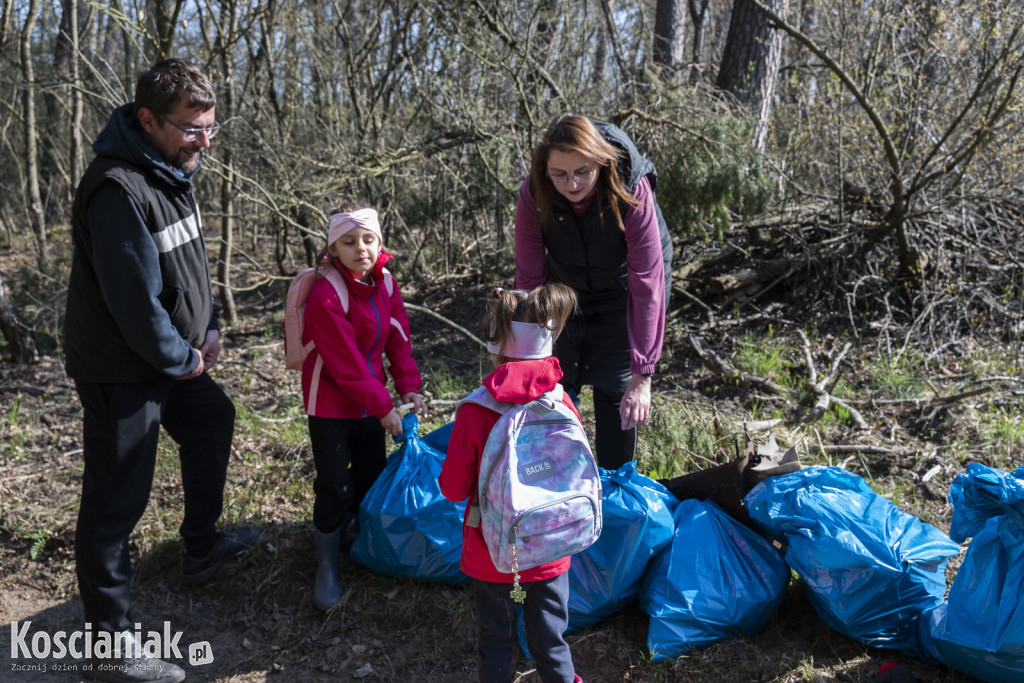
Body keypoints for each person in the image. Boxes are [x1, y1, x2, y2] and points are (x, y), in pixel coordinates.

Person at [64, 58, 257, 683]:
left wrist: (206, 328)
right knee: (116, 500)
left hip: (173, 354)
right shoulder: (117, 187)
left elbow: (185, 266)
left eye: (210, 126)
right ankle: (108, 646)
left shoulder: (171, 168)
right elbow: (133, 304)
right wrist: (183, 357)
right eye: (190, 128)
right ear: (147, 120)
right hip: (123, 367)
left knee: (212, 421)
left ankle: (199, 549)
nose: (205, 140)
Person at [440, 284, 584, 683]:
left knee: (497, 641)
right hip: (552, 549)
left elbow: (452, 488)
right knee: (552, 644)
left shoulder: (476, 410)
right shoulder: (561, 402)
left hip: (492, 554)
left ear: (496, 343)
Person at [514, 114, 674, 470]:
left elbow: (647, 283)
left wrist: (642, 374)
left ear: (601, 162)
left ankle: (615, 490)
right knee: (552, 390)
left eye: (583, 172)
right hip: (565, 293)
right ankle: (561, 497)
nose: (571, 184)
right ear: (545, 170)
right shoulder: (534, 193)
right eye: (560, 174)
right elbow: (528, 281)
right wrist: (526, 358)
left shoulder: (632, 188)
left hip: (624, 293)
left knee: (617, 396)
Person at [301, 206, 427, 611]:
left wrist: (409, 387)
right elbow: (345, 365)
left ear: (380, 242)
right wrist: (384, 405)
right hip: (331, 404)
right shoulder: (326, 293)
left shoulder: (385, 284)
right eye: (350, 242)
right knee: (334, 483)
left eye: (368, 240)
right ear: (333, 247)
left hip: (371, 402)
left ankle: (360, 541)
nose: (361, 249)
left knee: (372, 473)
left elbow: (398, 339)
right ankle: (326, 564)